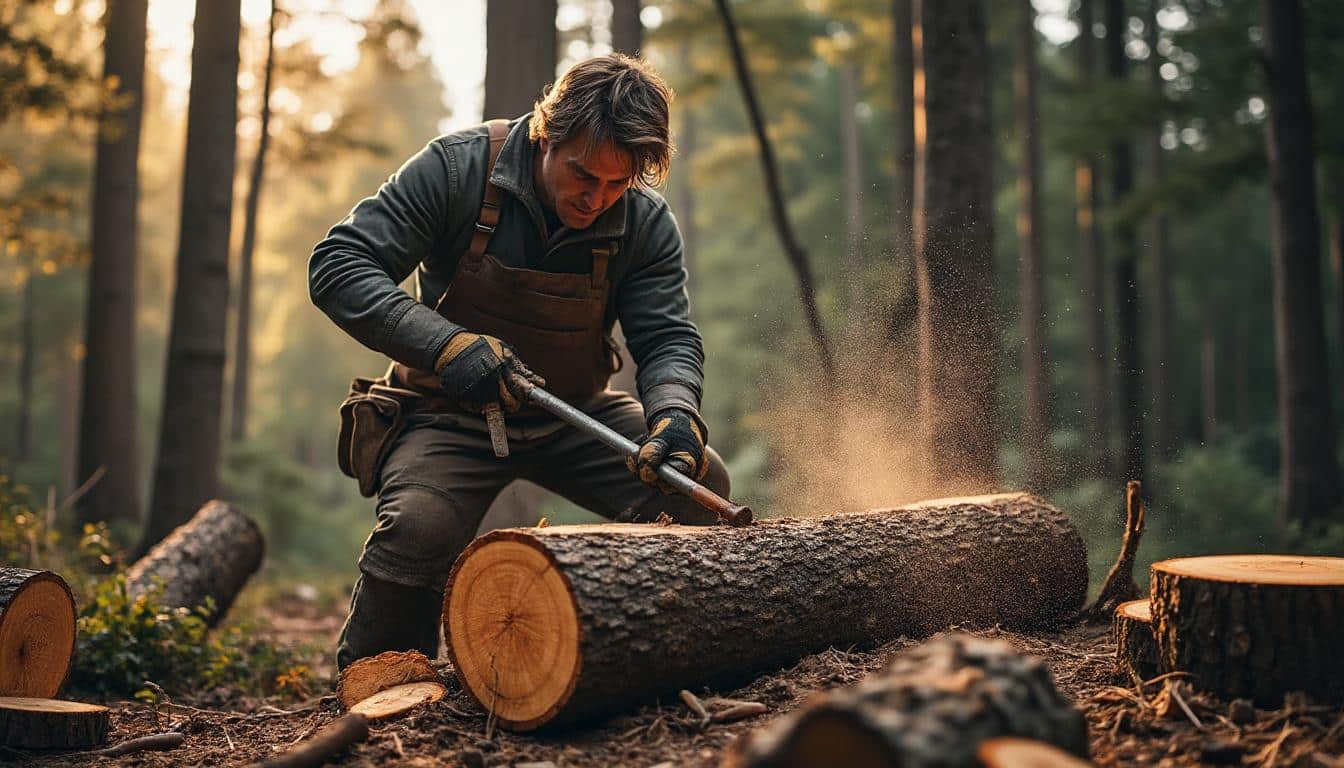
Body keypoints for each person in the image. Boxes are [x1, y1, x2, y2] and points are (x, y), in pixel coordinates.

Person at [308, 54, 730, 670]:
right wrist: (446, 347)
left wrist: (674, 412)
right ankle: (380, 686)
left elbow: (665, 335)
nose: (597, 199)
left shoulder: (642, 222)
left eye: (617, 184)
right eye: (584, 175)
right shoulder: (456, 172)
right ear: (545, 133)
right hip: (447, 415)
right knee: (418, 528)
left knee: (697, 488)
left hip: (575, 413)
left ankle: (656, 665)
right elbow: (338, 264)